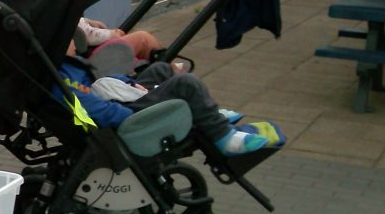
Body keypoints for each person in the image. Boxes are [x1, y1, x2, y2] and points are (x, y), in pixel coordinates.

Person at [56, 59, 270, 156]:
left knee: (160, 69)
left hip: (119, 99)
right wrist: (133, 106)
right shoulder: (60, 82)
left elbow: (102, 81)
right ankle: (223, 137)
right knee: (186, 84)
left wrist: (129, 83)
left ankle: (207, 113)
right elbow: (97, 111)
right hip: (128, 117)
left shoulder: (66, 68)